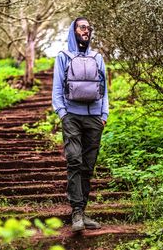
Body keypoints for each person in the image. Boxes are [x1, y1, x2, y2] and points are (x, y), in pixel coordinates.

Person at [52, 17, 109, 232]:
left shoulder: (97, 57)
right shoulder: (63, 57)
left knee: (88, 165)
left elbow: (104, 88)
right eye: (82, 27)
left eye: (88, 28)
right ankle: (76, 212)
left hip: (94, 118)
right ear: (73, 31)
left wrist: (104, 114)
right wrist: (63, 114)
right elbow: (57, 88)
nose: (86, 31)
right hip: (72, 117)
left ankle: (82, 212)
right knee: (74, 161)